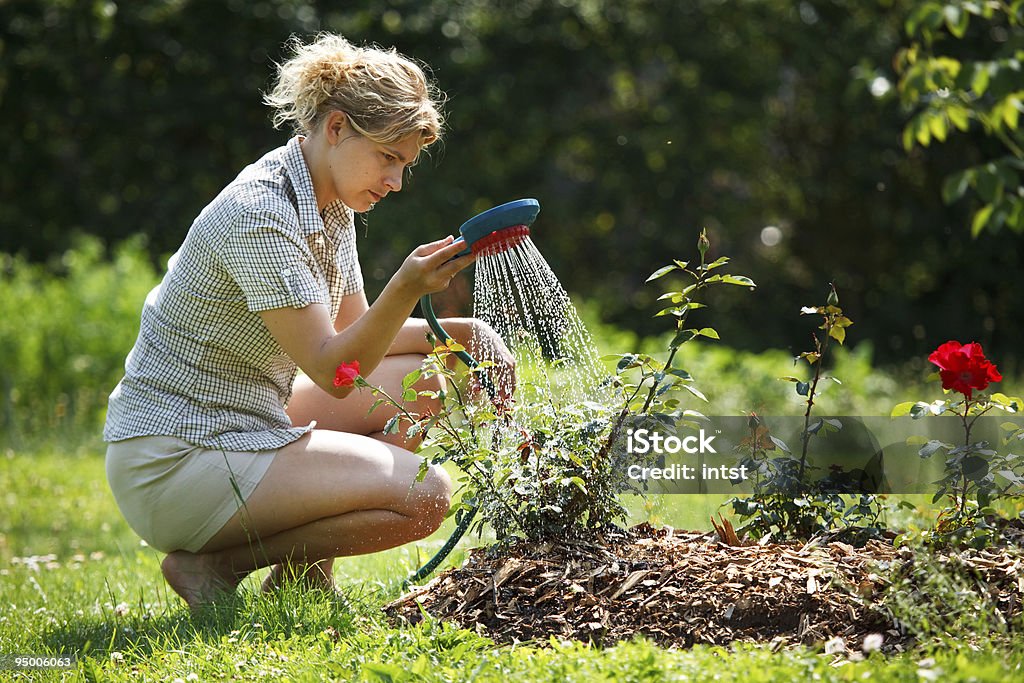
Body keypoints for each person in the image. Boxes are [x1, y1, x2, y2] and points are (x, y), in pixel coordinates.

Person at [103, 33, 514, 610]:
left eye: (405, 164)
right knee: (425, 497)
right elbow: (337, 371)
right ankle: (216, 565)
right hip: (177, 458)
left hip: (247, 420)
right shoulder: (261, 215)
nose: (396, 182)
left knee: (427, 377)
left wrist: (467, 334)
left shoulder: (328, 203)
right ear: (338, 128)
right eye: (389, 159)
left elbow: (356, 338)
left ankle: (303, 577)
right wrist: (405, 287)